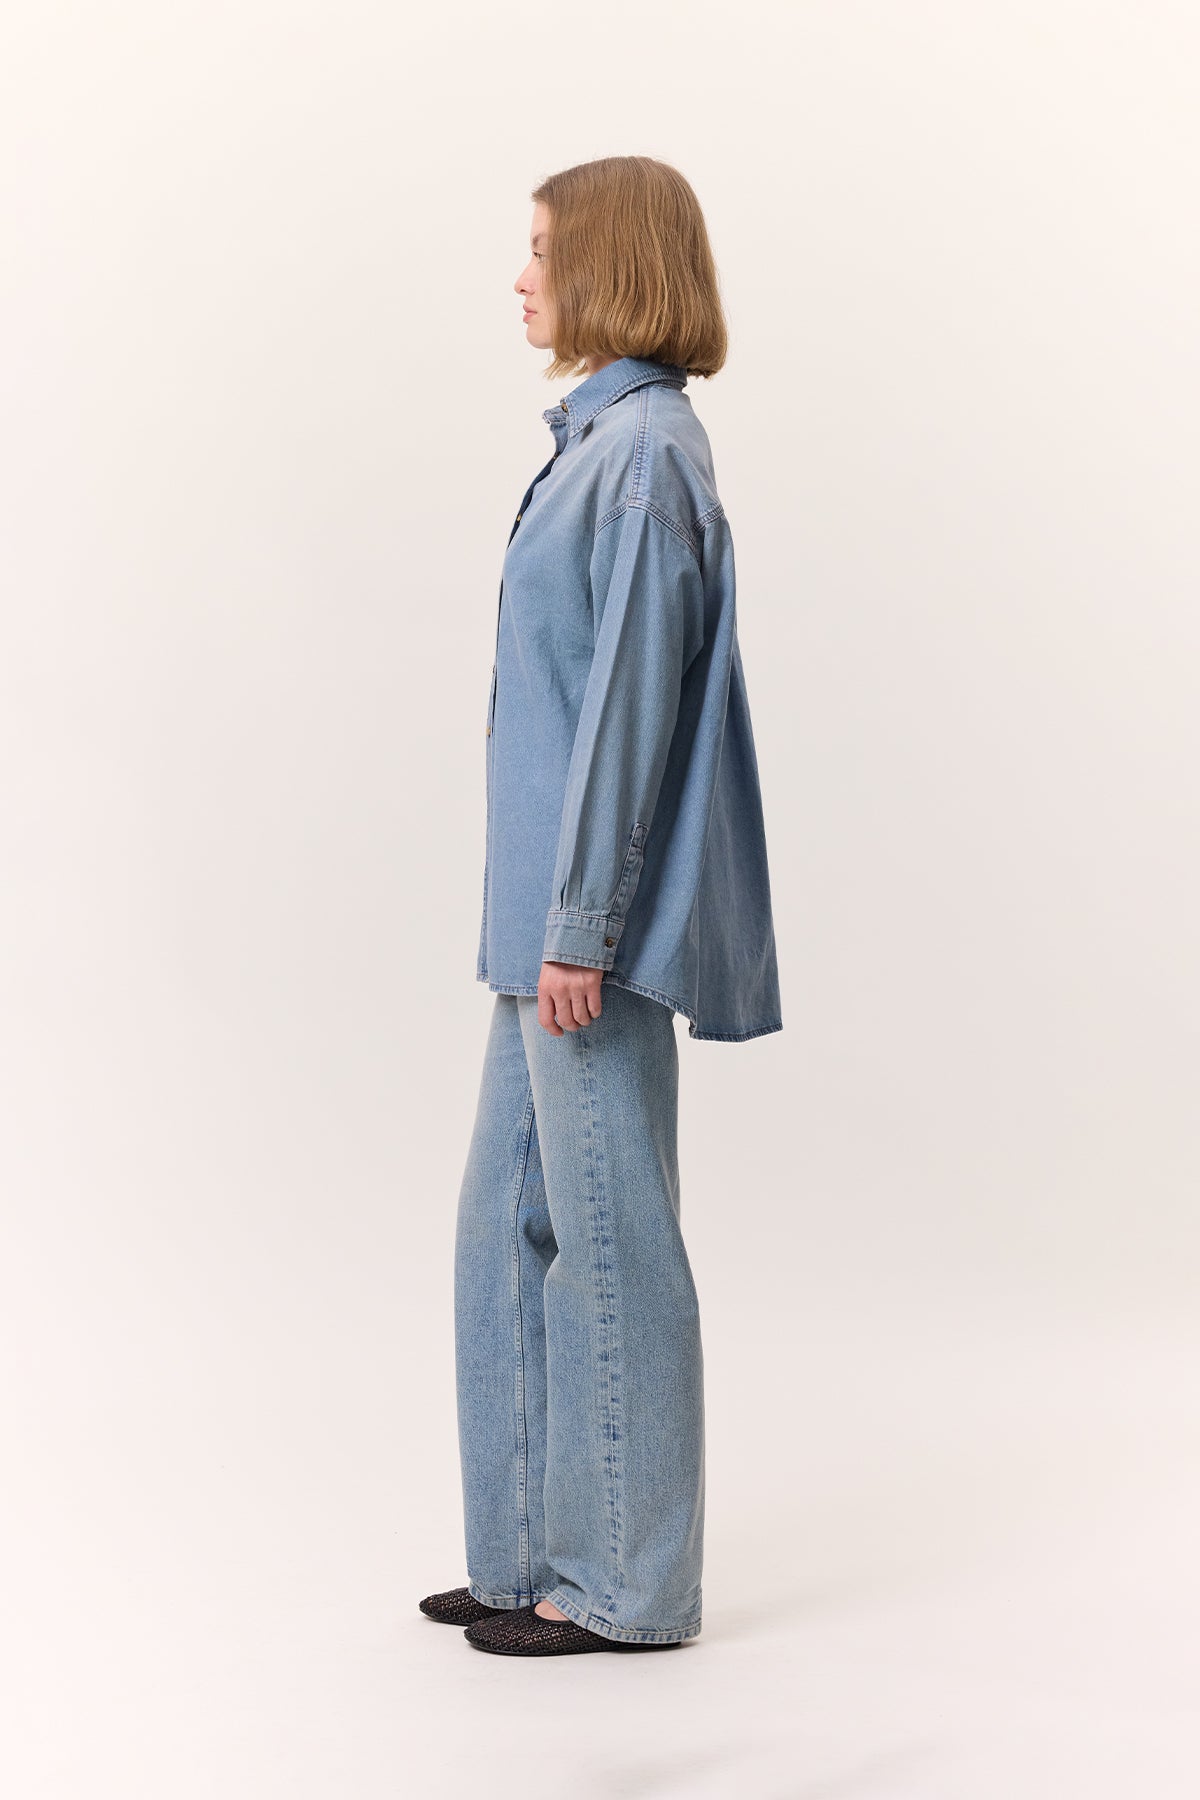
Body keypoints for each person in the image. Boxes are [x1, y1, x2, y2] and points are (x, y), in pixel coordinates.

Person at [419, 155, 782, 1657]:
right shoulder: (595, 446)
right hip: (537, 930)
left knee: (612, 1241)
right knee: (504, 1233)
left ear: (610, 266)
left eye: (542, 250)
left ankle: (630, 1589)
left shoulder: (642, 458)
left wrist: (581, 927)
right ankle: (523, 1558)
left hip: (584, 935)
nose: (521, 278)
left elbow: (630, 713)